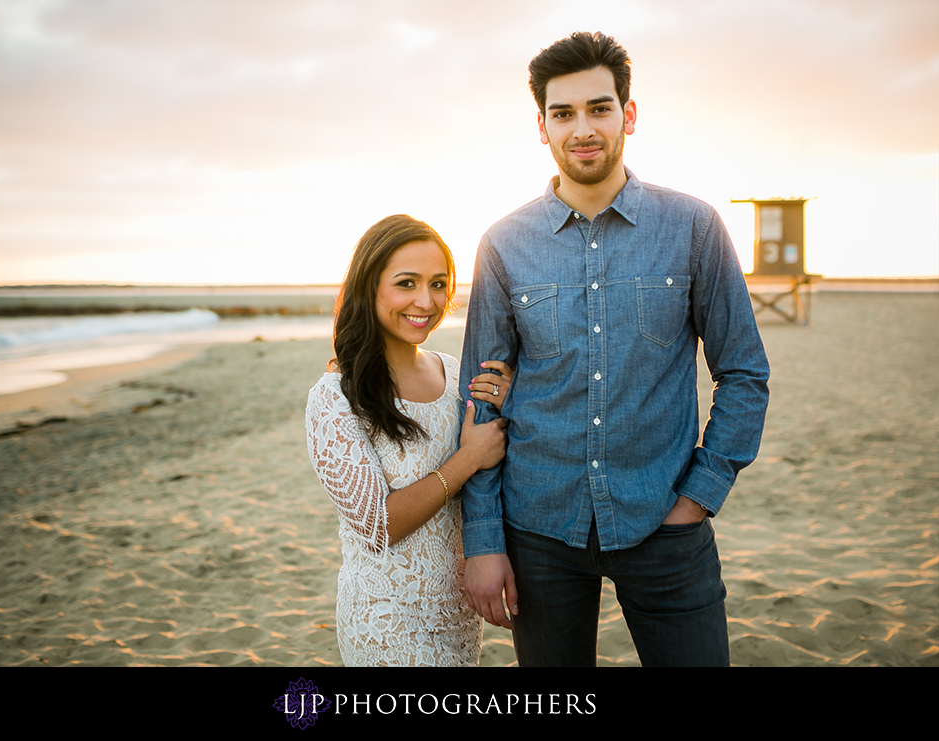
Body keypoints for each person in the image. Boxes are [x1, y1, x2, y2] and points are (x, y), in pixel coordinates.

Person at [458, 32, 770, 667]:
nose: (582, 128)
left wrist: (701, 492)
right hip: (539, 528)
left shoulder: (693, 226)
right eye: (563, 113)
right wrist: (484, 539)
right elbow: (479, 400)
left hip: (664, 519)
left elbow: (743, 371)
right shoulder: (503, 244)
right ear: (541, 127)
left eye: (599, 108)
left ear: (628, 114)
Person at [305, 214, 512, 666]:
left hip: (458, 615)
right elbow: (380, 525)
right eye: (407, 283)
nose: (426, 300)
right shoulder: (336, 397)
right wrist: (467, 458)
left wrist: (514, 401)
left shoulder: (456, 373)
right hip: (386, 620)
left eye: (439, 284)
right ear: (369, 287)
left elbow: (501, 463)